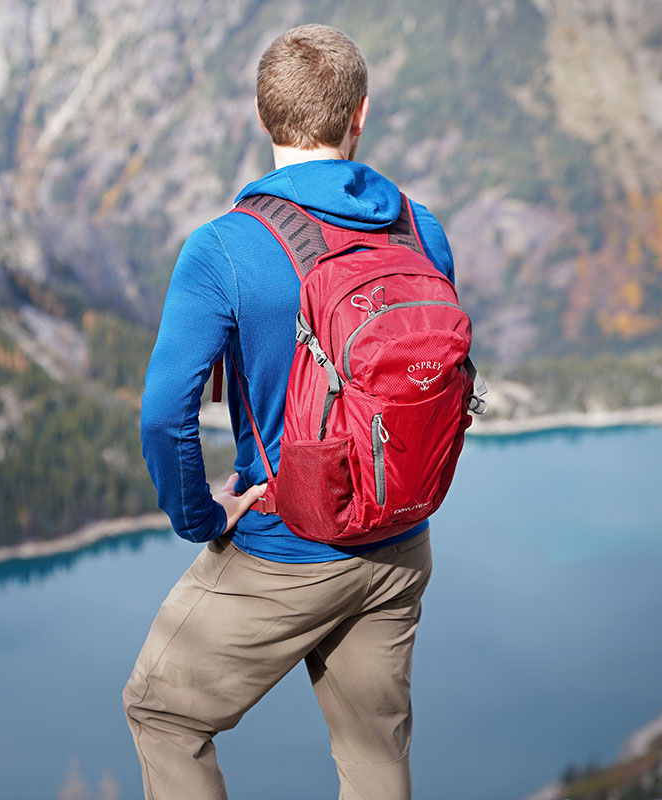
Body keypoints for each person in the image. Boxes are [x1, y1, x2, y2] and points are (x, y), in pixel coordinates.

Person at [123, 24, 457, 800]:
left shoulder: (226, 249)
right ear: (360, 115)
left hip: (286, 545)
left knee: (162, 714)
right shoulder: (420, 228)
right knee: (374, 751)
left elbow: (164, 415)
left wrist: (201, 518)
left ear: (261, 115)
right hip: (400, 539)